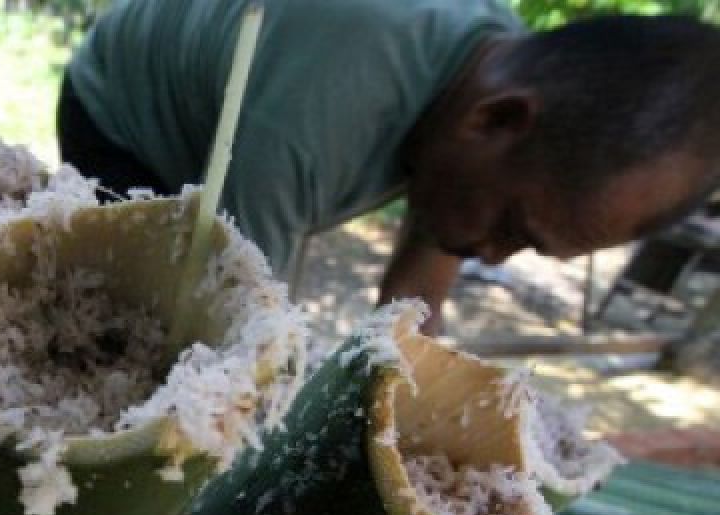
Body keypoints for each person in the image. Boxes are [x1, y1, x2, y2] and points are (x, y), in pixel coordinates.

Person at [57, 1, 720, 333]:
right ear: (494, 120)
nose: (493, 253)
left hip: (263, 129)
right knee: (133, 329)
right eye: (514, 227)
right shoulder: (315, 115)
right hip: (123, 118)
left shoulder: (494, 74)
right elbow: (232, 328)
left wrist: (410, 409)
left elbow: (414, 304)